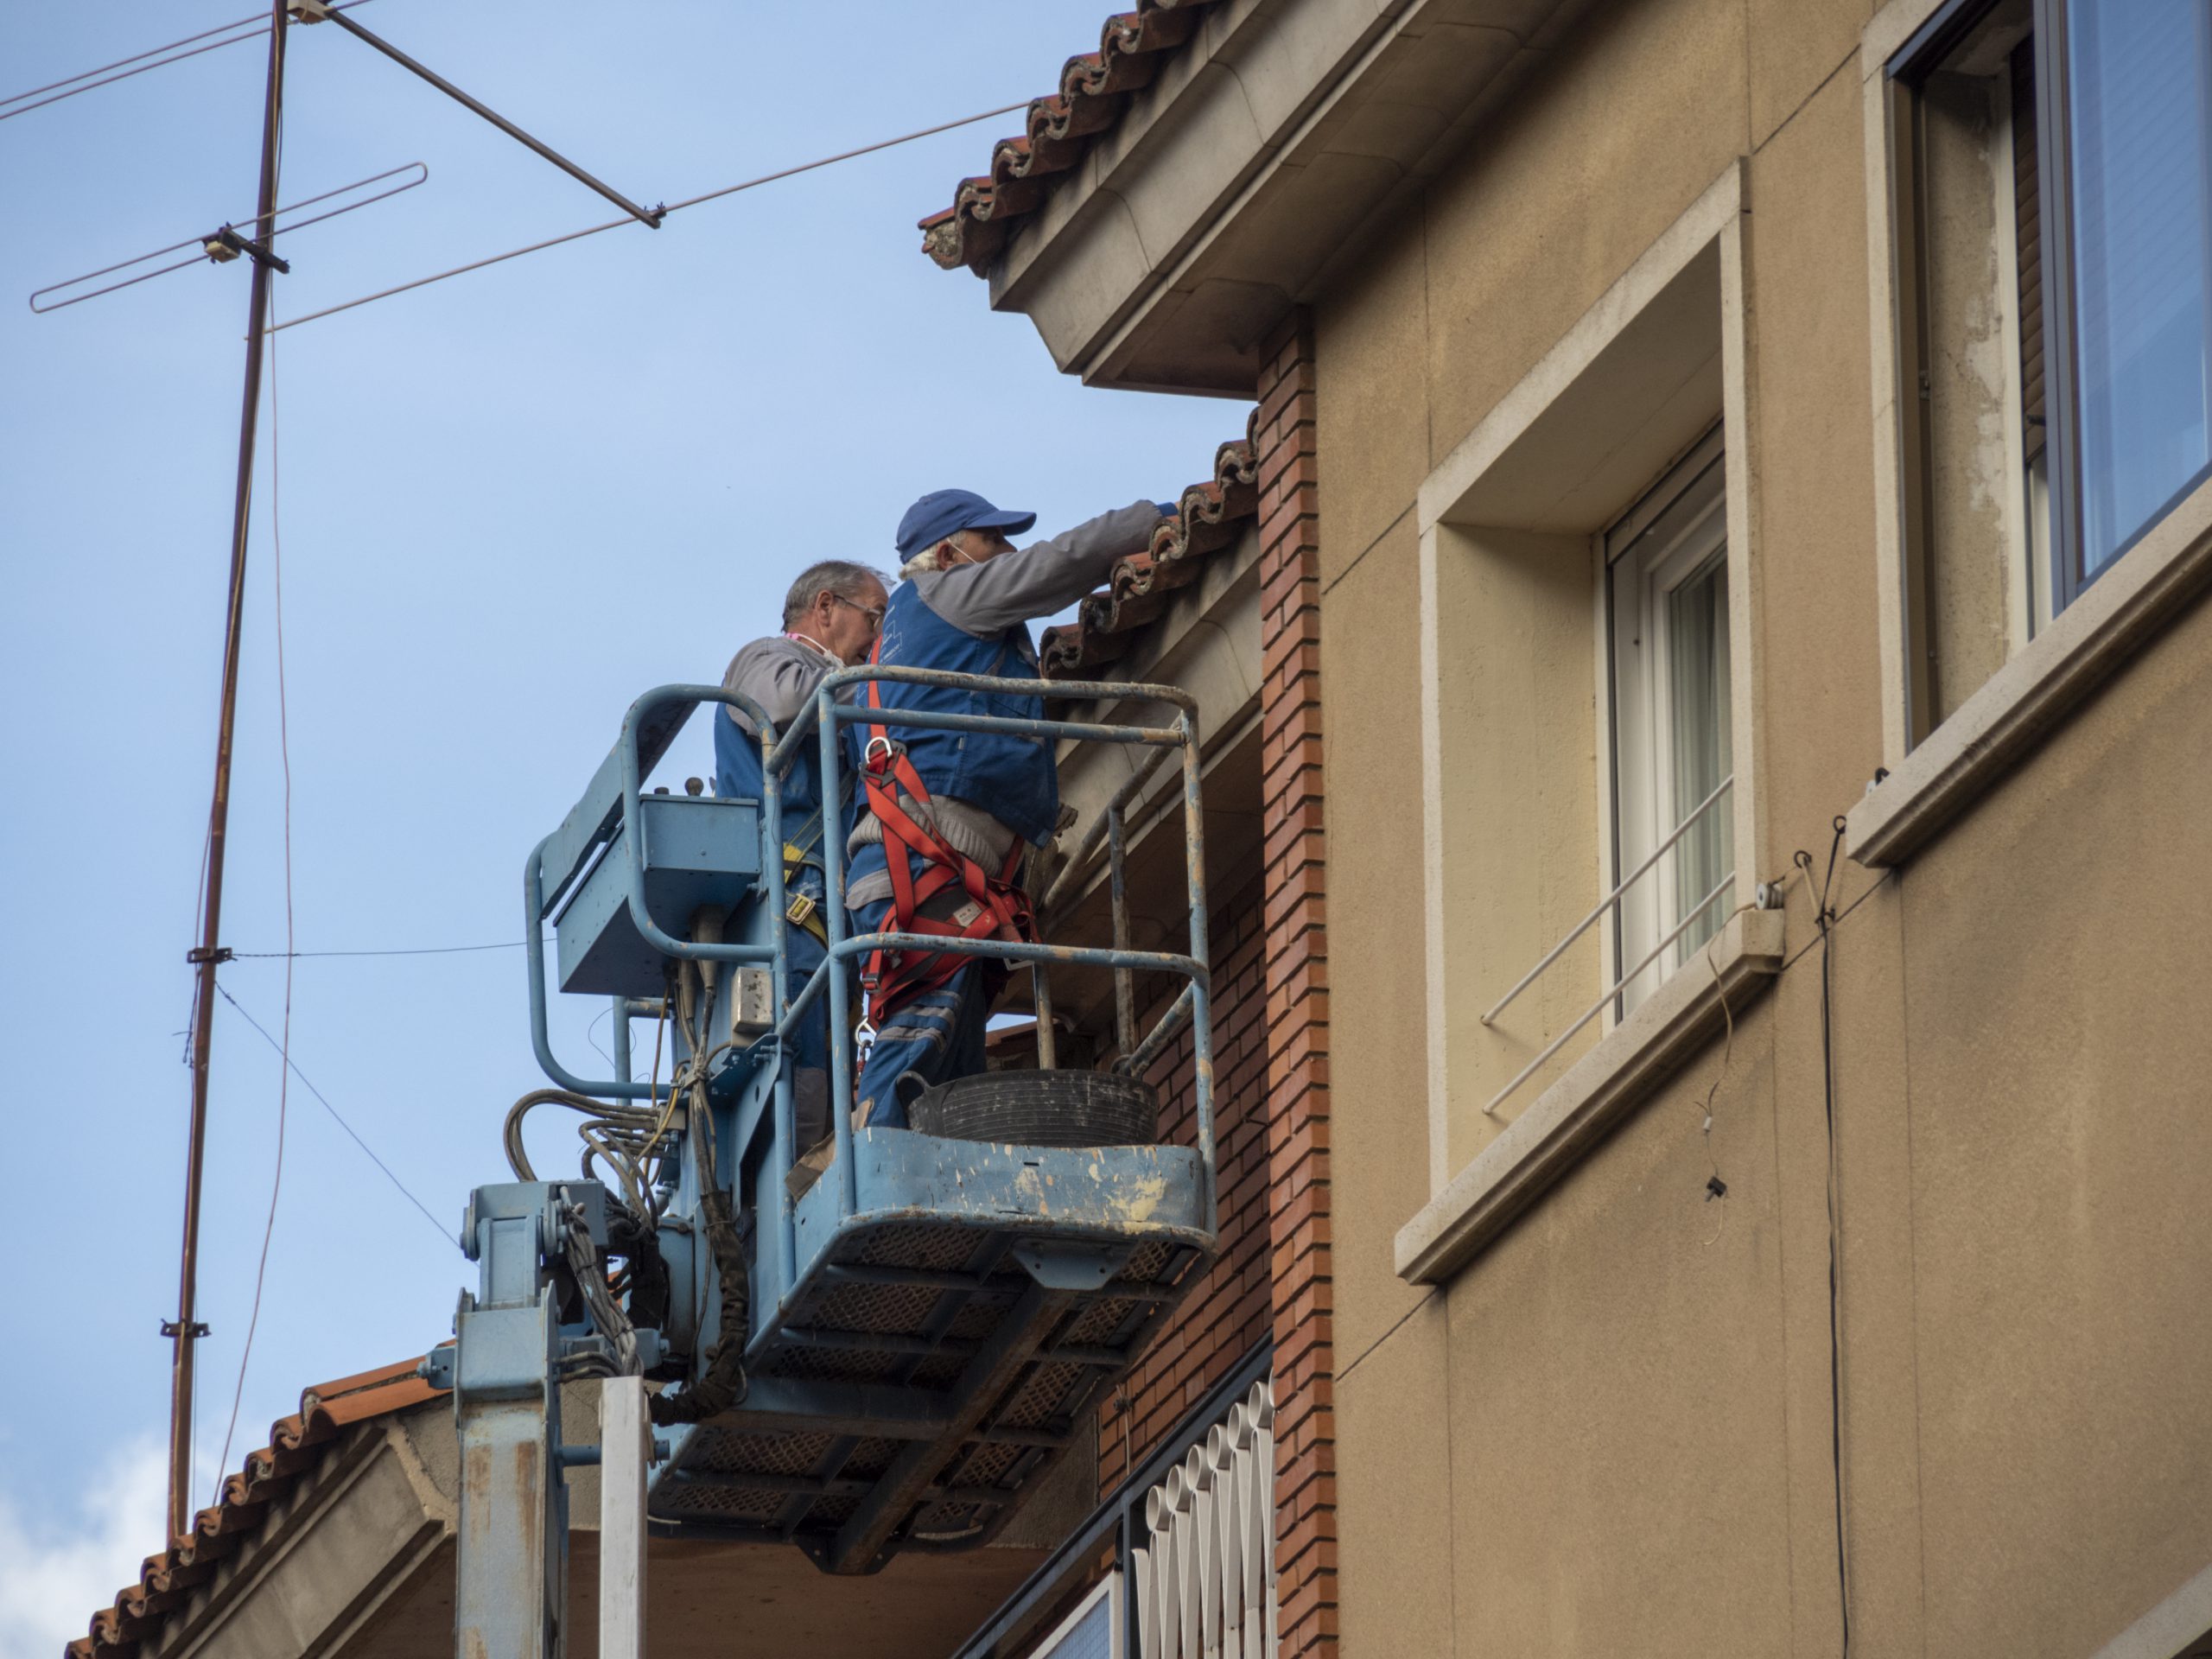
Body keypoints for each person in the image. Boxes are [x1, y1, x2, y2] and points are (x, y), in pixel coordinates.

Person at [844, 487, 1175, 1129]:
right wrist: (1151, 520)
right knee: (925, 1019)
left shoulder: (902, 639)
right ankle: (870, 1157)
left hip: (919, 865)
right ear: (945, 553)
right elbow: (1060, 562)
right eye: (991, 541)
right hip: (926, 864)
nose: (1007, 552)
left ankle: (913, 1164)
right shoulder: (949, 594)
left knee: (951, 1060)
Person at [716, 559, 888, 1171]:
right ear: (825, 607)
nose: (880, 633)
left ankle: (812, 1173)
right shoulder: (766, 659)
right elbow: (784, 705)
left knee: (831, 1046)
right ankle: (791, 1192)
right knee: (799, 1054)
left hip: (828, 906)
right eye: (876, 616)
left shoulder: (838, 682)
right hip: (790, 902)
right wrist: (869, 681)